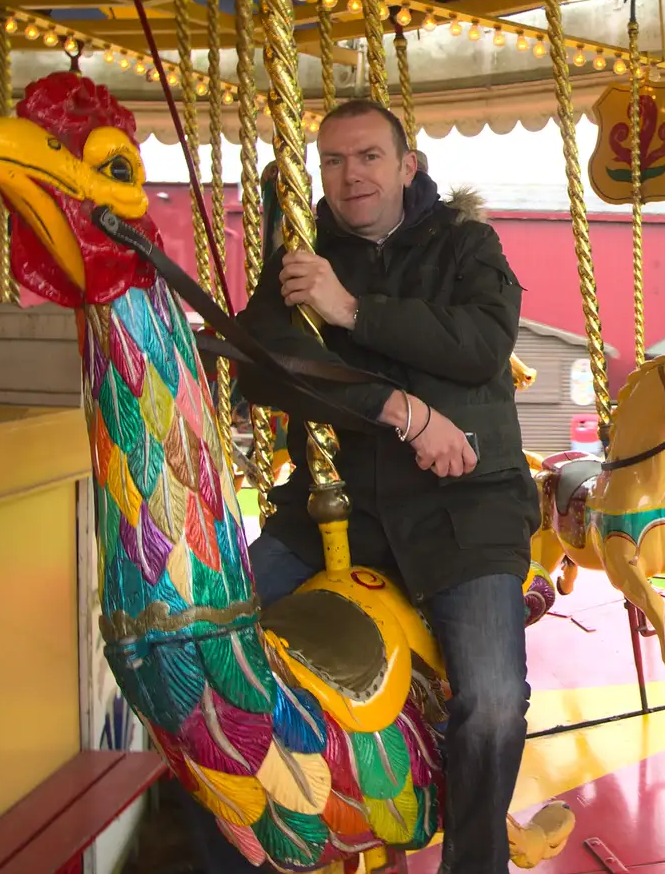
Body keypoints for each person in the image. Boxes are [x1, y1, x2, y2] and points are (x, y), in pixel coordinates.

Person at [194, 98, 538, 874]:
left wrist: (349, 310)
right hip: (330, 506)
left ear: (406, 165)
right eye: (334, 161)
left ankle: (474, 865)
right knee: (210, 652)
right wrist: (401, 410)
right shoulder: (304, 250)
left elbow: (483, 345)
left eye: (369, 156)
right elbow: (263, 362)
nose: (351, 176)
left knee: (490, 702)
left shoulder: (464, 243)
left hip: (464, 512)